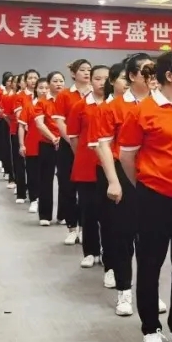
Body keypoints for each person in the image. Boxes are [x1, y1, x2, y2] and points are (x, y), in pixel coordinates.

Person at [119, 51, 172, 342]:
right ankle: (151, 328)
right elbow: (127, 156)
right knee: (150, 263)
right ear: (170, 76)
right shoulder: (144, 110)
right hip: (154, 196)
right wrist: (145, 184)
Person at [96, 54, 155, 316]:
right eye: (145, 71)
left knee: (151, 239)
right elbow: (103, 145)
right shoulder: (113, 107)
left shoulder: (161, 104)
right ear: (132, 76)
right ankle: (124, 290)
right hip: (123, 173)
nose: (151, 76)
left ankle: (148, 292)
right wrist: (113, 181)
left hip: (154, 176)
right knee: (123, 235)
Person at [67, 65, 109, 270]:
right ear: (90, 81)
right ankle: (91, 251)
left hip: (110, 167)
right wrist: (84, 155)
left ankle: (109, 253)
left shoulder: (115, 105)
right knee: (89, 210)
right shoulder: (80, 106)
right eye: (97, 78)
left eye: (106, 78)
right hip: (86, 167)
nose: (102, 82)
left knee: (109, 215)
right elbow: (74, 138)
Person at [55, 60, 91, 245]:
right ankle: (71, 227)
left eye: (89, 70)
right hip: (68, 146)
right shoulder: (65, 95)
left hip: (90, 148)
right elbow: (60, 121)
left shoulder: (96, 93)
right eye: (82, 70)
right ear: (73, 74)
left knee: (87, 191)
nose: (86, 73)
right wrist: (72, 140)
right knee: (67, 187)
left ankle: (85, 228)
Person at [33, 72, 65, 227]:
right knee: (46, 179)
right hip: (47, 143)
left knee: (65, 180)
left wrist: (64, 138)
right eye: (55, 81)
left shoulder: (67, 100)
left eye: (61, 81)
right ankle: (45, 214)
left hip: (65, 143)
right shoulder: (42, 102)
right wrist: (53, 138)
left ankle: (63, 215)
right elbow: (40, 124)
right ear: (49, 83)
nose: (58, 84)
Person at [18, 76, 49, 218]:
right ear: (35, 89)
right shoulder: (29, 106)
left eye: (46, 88)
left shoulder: (53, 105)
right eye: (41, 88)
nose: (44, 91)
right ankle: (34, 199)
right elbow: (21, 126)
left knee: (46, 176)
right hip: (32, 144)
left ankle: (45, 201)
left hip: (49, 145)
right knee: (32, 174)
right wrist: (21, 144)